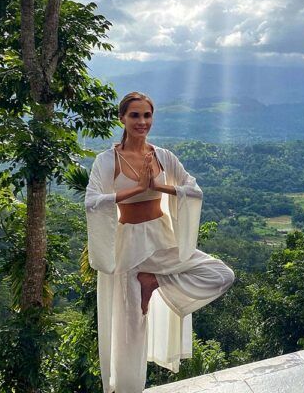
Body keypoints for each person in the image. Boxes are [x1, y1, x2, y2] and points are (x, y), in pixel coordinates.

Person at [84, 92, 235, 393]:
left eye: (147, 115)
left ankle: (155, 281)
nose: (142, 122)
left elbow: (193, 189)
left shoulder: (163, 156)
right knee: (131, 331)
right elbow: (92, 201)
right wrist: (136, 189)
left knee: (221, 274)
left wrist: (158, 186)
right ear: (122, 119)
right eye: (135, 115)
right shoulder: (107, 160)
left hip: (162, 239)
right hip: (129, 247)